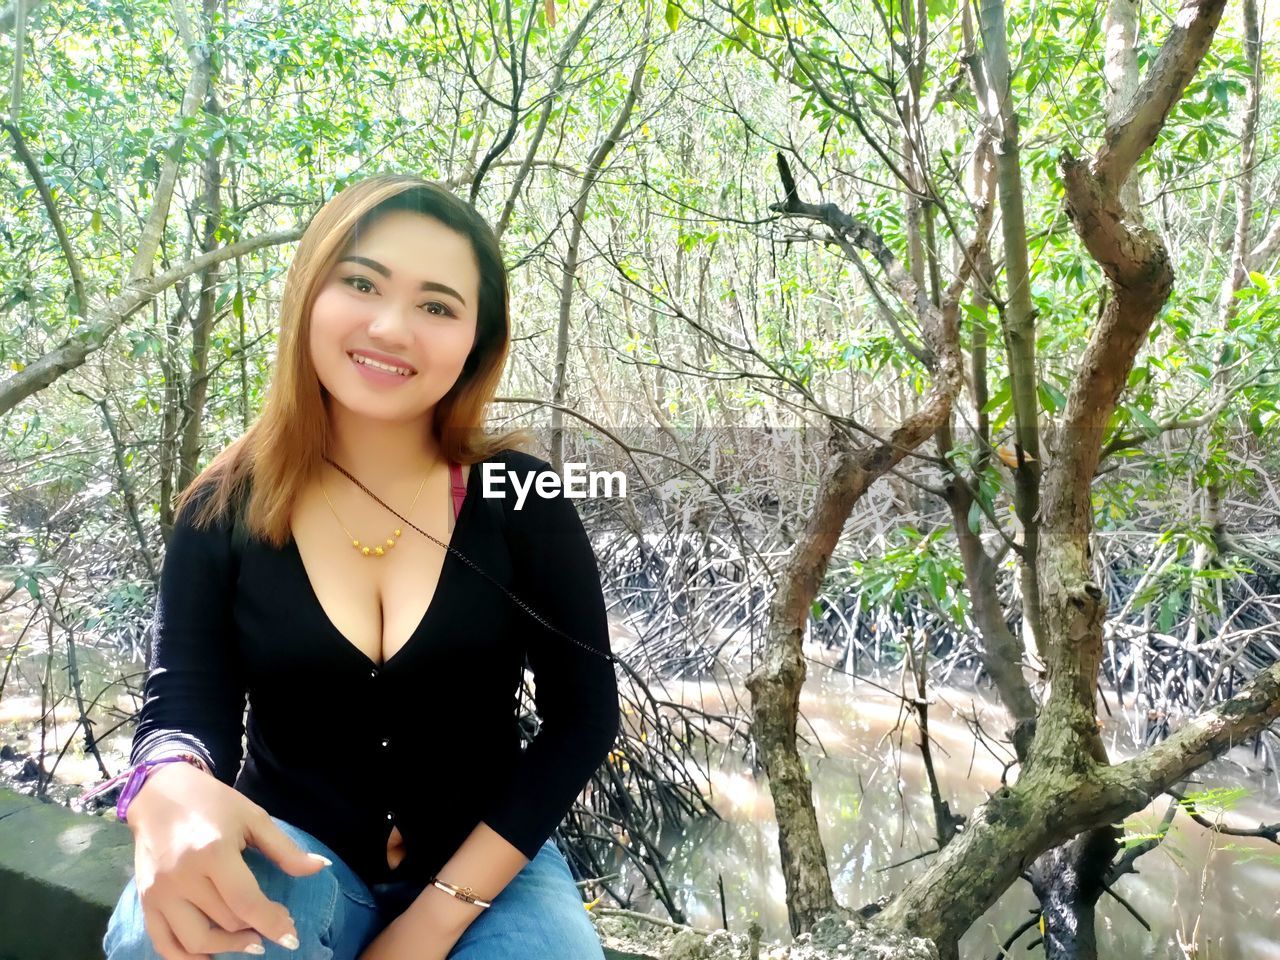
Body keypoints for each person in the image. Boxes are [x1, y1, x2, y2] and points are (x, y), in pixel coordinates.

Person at [100, 173, 621, 960]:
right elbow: (184, 704)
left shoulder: (524, 497)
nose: (391, 326)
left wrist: (434, 919)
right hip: (295, 852)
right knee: (157, 936)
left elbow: (584, 718)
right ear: (309, 295)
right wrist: (167, 778)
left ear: (477, 342)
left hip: (489, 866)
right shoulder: (222, 507)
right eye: (361, 283)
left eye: (437, 306)